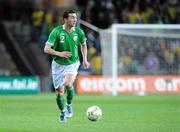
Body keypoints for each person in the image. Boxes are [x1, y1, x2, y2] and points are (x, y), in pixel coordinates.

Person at [44, 9, 90, 122]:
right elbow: (46, 49)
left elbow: (83, 45)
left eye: (75, 17)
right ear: (65, 19)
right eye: (72, 17)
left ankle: (69, 105)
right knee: (60, 93)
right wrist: (60, 53)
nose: (75, 19)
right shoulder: (56, 31)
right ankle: (62, 112)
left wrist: (85, 59)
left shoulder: (79, 32)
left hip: (73, 63)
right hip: (58, 65)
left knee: (69, 84)